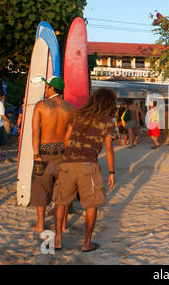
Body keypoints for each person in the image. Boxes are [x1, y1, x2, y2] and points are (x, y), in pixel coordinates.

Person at [54, 89, 116, 252]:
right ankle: (87, 243)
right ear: (108, 103)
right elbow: (109, 149)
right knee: (91, 204)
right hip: (89, 166)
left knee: (61, 201)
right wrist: (111, 172)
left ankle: (58, 239)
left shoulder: (77, 115)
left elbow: (66, 140)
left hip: (68, 164)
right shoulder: (107, 121)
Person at [29, 77, 74, 233]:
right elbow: (72, 134)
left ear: (52, 89)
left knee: (40, 188)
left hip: (44, 153)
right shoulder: (70, 108)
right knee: (63, 191)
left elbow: (35, 132)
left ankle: (40, 224)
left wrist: (36, 155)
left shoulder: (41, 105)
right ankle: (62, 225)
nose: (45, 89)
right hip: (63, 153)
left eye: (47, 87)